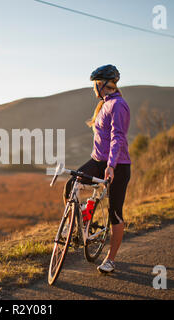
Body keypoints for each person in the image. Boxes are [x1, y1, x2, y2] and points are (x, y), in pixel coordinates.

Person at [63, 64, 131, 274]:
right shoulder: (104, 104)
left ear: (102, 85)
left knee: (115, 213)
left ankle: (110, 260)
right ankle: (77, 226)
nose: (93, 88)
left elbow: (117, 138)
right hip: (98, 161)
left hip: (117, 165)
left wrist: (111, 166)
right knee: (70, 186)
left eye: (95, 84)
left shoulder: (118, 105)